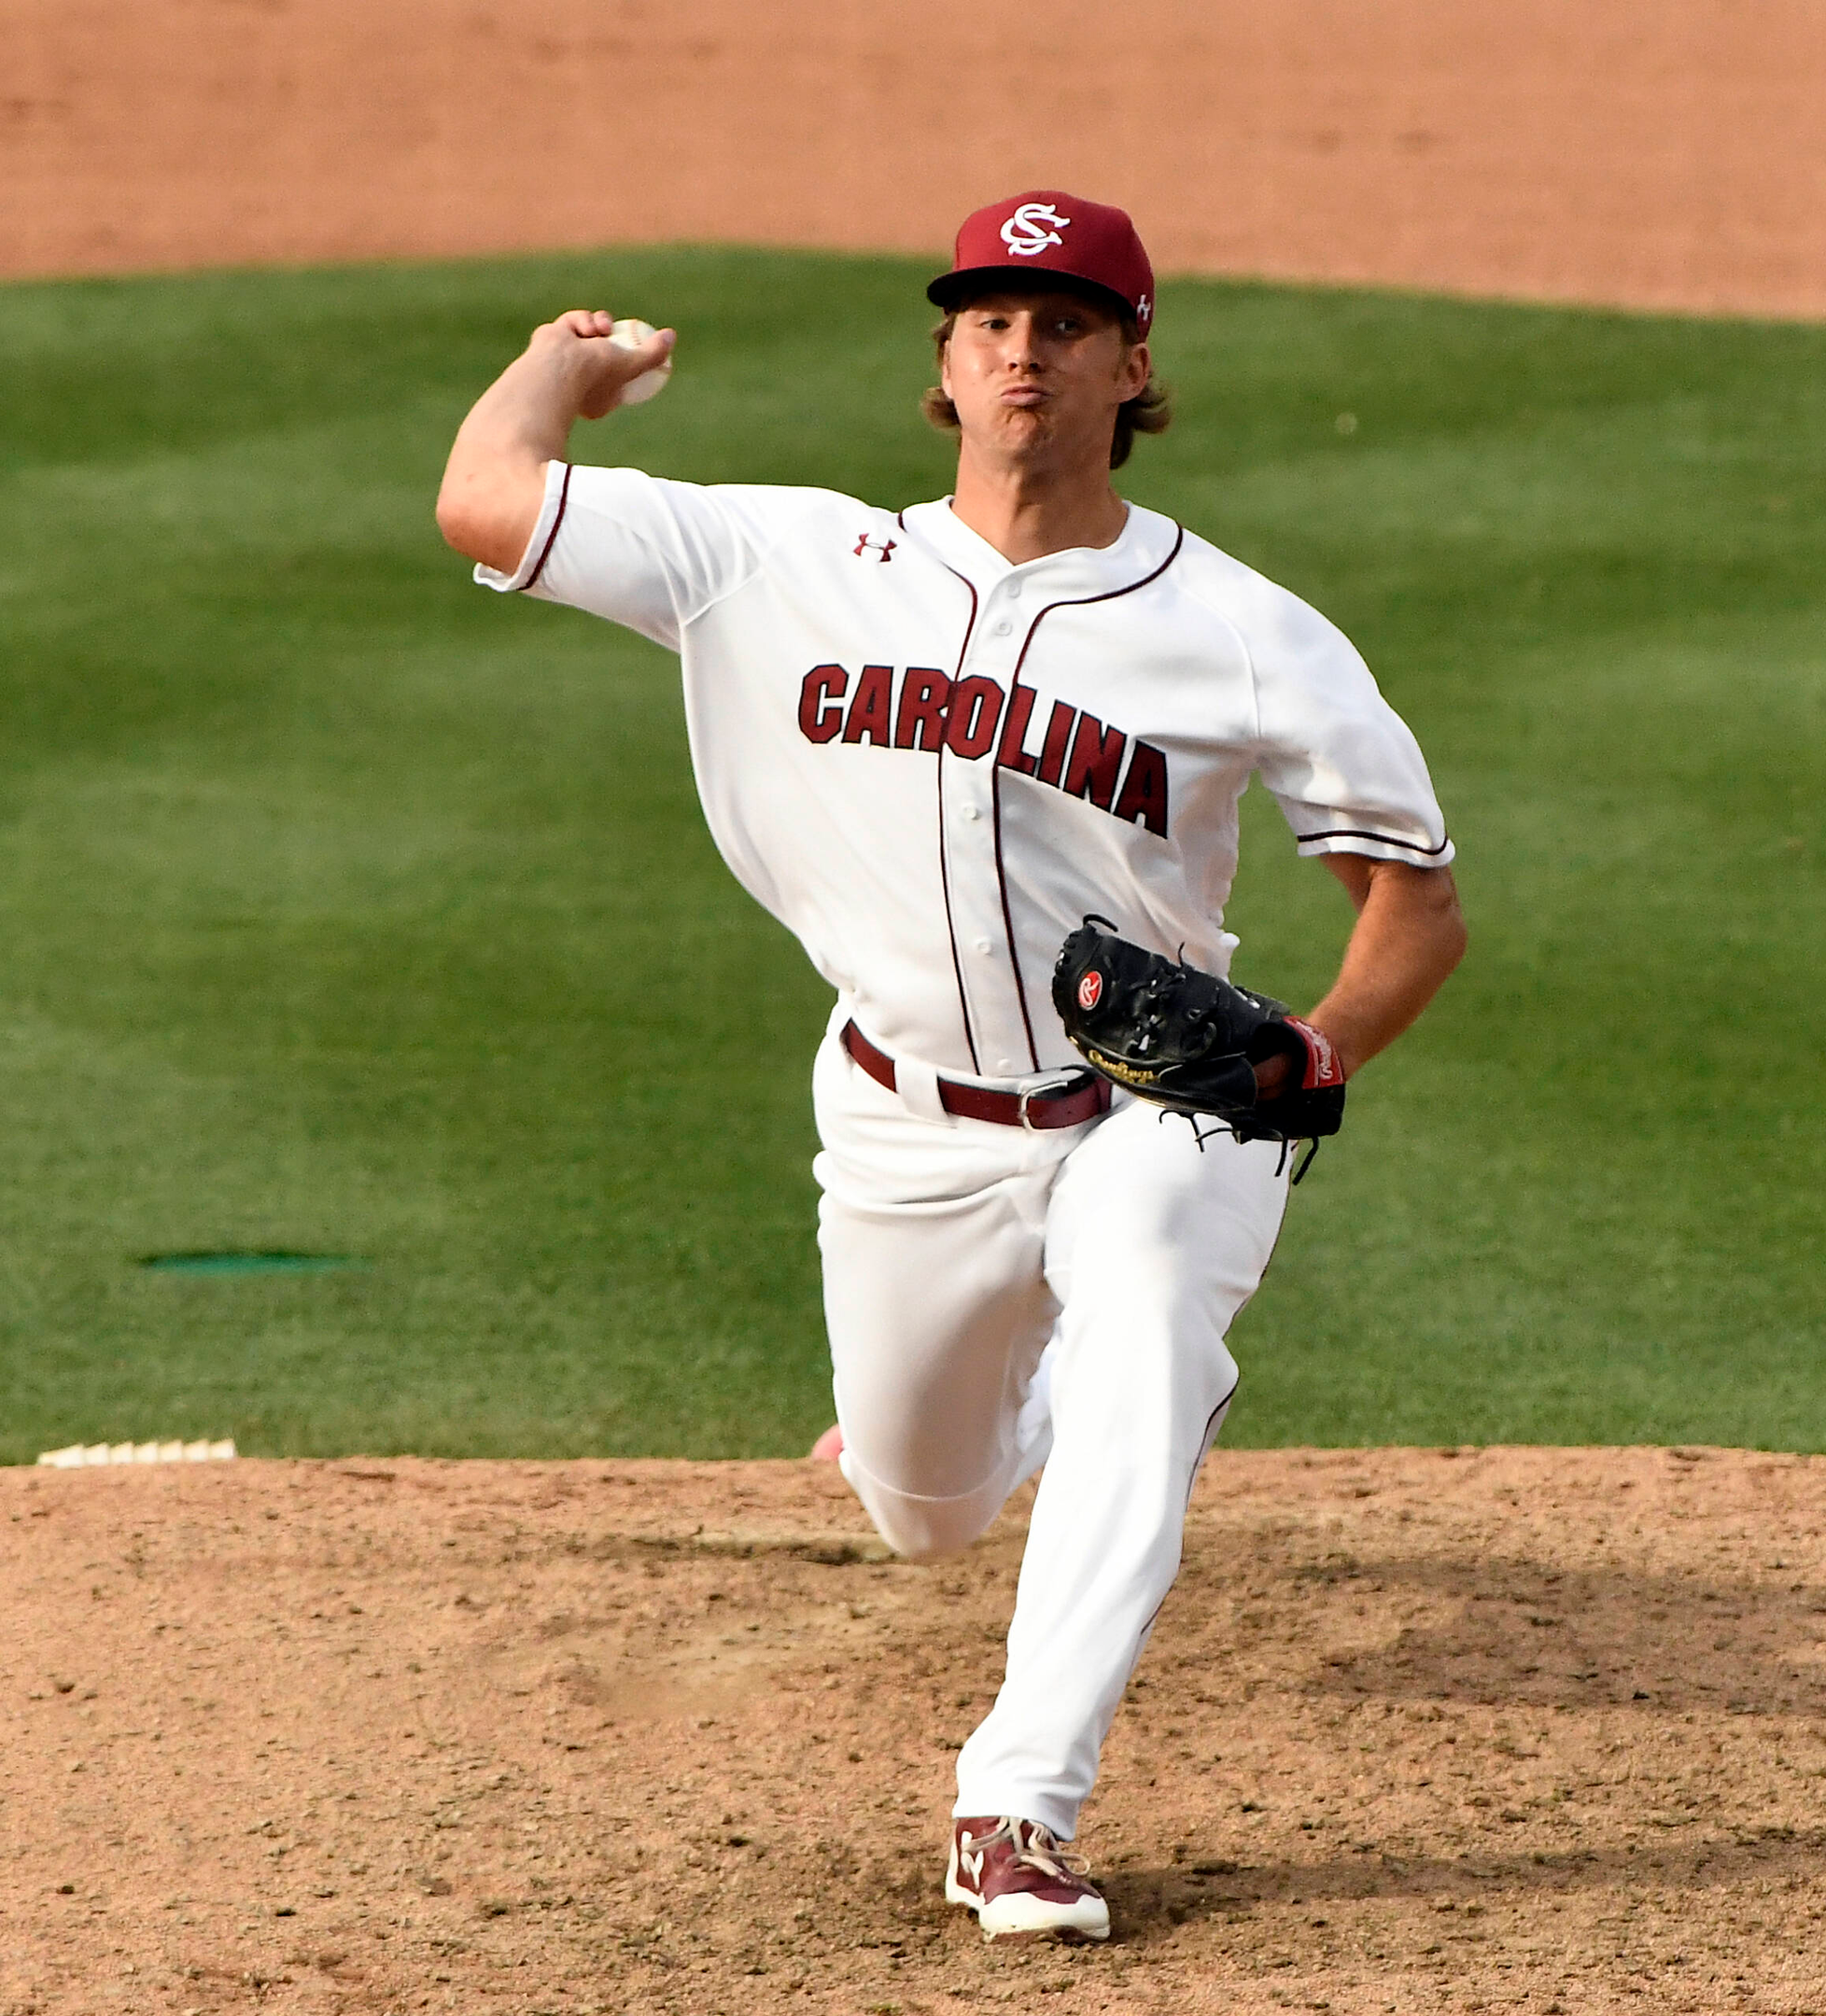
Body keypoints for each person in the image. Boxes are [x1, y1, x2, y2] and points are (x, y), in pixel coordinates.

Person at [436, 189, 1466, 1943]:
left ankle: (1016, 1809)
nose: (1021, 349)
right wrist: (557, 367)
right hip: (902, 1123)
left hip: (1160, 1107)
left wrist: (1318, 1043)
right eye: (988, 318)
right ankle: (1044, 1406)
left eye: (1064, 323)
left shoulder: (1238, 626)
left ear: (1131, 365)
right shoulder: (782, 560)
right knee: (927, 1511)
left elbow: (1414, 906)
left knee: (1143, 1314)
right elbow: (485, 499)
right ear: (943, 359)